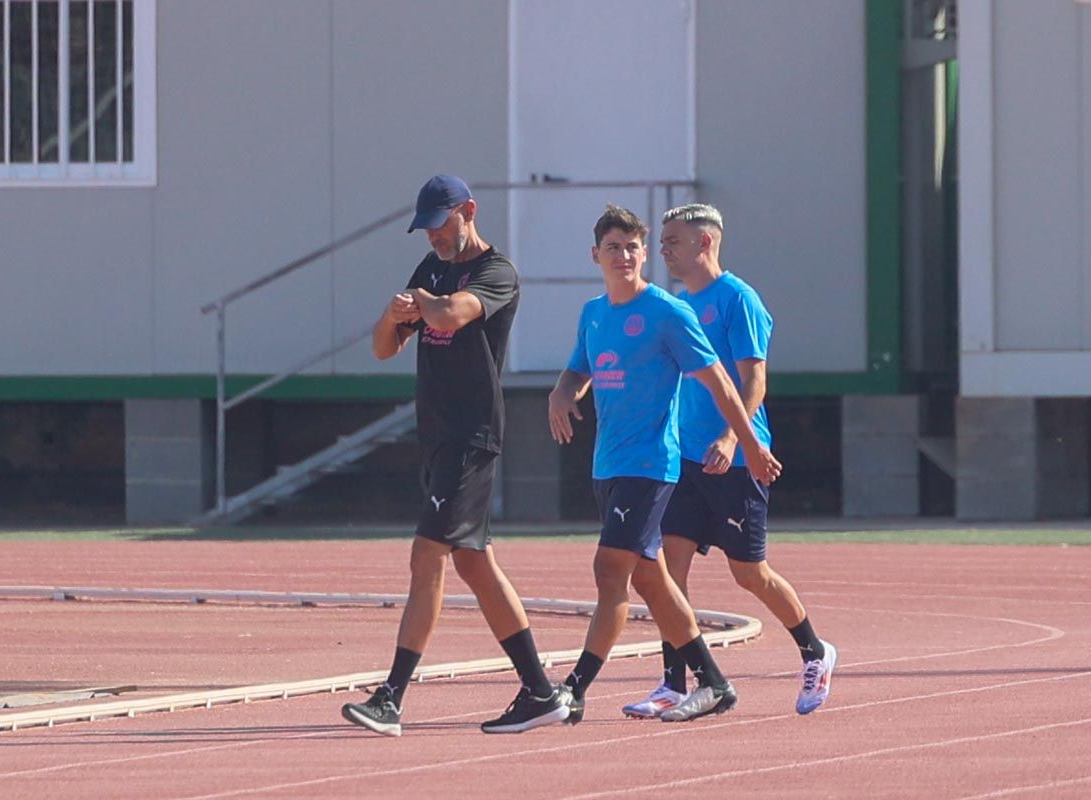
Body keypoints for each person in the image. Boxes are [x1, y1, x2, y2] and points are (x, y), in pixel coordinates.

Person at [341, 175, 569, 736]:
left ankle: (391, 697)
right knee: (474, 563)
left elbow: (449, 316)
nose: (434, 238)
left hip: (472, 436)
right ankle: (540, 691)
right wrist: (393, 317)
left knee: (427, 556)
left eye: (441, 225)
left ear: (468, 211)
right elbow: (383, 346)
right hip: (439, 436)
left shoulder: (496, 273)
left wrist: (418, 303)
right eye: (426, 230)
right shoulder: (430, 272)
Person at [548, 204, 783, 724]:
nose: (626, 256)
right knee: (651, 580)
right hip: (607, 465)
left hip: (651, 466)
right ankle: (714, 682)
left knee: (610, 570)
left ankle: (573, 689)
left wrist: (747, 442)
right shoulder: (593, 314)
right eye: (615, 247)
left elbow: (723, 383)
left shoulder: (668, 312)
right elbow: (576, 372)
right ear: (596, 256)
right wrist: (559, 395)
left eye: (634, 247)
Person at [620, 203, 836, 720]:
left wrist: (730, 439)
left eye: (673, 240)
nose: (664, 250)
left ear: (705, 243)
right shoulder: (675, 303)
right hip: (683, 460)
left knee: (750, 573)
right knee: (665, 571)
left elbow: (753, 380)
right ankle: (673, 682)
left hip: (732, 459)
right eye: (664, 241)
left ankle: (814, 651)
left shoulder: (738, 300)